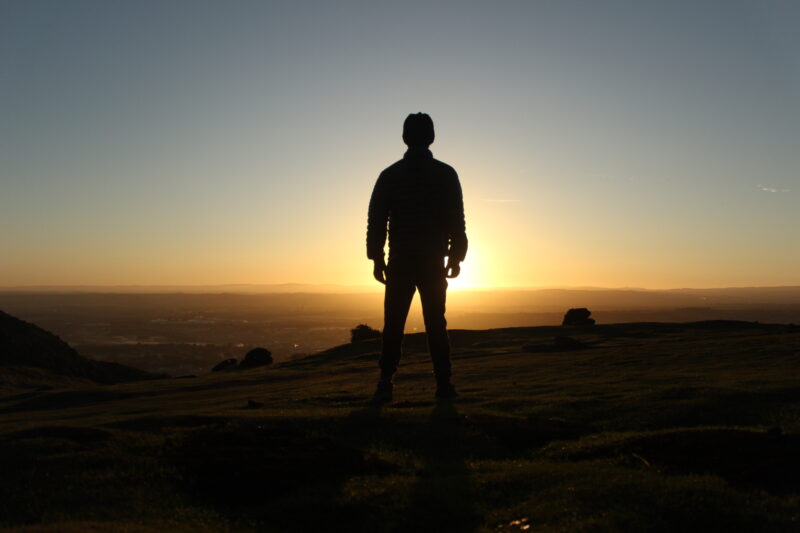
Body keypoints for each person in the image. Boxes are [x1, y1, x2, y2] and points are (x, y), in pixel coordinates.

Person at [366, 112, 467, 404]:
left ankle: (386, 381)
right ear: (431, 137)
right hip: (432, 261)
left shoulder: (390, 174)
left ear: (404, 137)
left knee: (394, 323)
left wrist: (377, 257)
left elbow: (377, 219)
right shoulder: (446, 174)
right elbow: (456, 219)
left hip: (400, 261)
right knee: (436, 323)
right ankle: (444, 384)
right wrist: (456, 256)